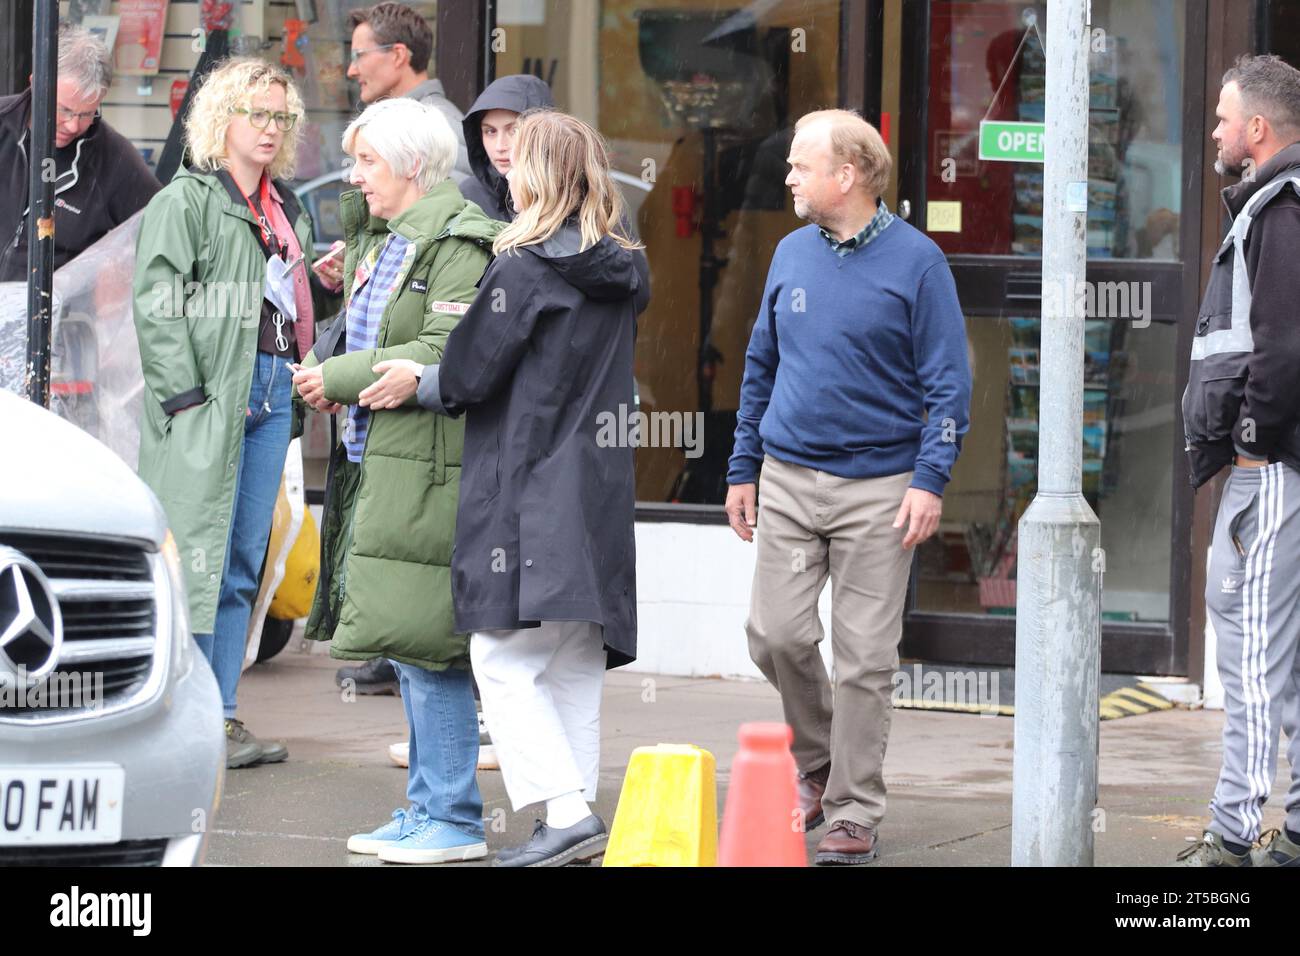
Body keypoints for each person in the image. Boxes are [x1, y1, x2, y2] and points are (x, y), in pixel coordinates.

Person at [365, 108, 647, 866]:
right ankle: (569, 818)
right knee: (573, 662)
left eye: (517, 161)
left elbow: (467, 373)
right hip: (596, 491)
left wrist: (419, 379)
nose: (504, 174)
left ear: (537, 174)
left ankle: (565, 814)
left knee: (501, 657)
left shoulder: (523, 268)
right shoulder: (622, 265)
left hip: (528, 484)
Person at [725, 109, 971, 865]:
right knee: (776, 634)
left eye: (802, 164)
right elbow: (760, 365)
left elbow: (950, 385)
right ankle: (822, 762)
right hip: (790, 478)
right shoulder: (790, 254)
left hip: (882, 489)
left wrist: (930, 479)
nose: (789, 175)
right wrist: (742, 466)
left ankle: (853, 812)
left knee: (865, 657)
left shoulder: (919, 263)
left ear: (849, 174)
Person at [293, 97, 499, 864]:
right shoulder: (390, 237)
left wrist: (331, 376)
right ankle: (426, 809)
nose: (356, 177)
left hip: (429, 466)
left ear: (413, 166)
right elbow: (389, 333)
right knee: (407, 642)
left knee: (426, 643)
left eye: (369, 162)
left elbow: (444, 345)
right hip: (388, 459)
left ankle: (452, 818)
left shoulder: (458, 241)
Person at [133, 57, 328, 769]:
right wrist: (186, 399)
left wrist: (319, 285)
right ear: (223, 119)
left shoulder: (287, 207)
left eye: (281, 116)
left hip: (275, 387)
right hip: (212, 397)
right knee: (197, 559)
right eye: (257, 113)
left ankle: (220, 717)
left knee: (245, 562)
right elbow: (157, 307)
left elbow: (283, 300)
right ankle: (173, 722)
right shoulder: (184, 201)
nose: (271, 128)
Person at [1176, 54, 1300, 868]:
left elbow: (1284, 349)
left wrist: (1252, 444)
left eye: (1224, 119)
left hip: (1272, 475)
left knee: (1250, 651)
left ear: (1257, 129)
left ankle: (1231, 839)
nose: (1216, 131)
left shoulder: (1278, 211)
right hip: (1284, 469)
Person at [0, 24, 159, 281]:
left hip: (61, 317)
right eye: (64, 110)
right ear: (35, 84)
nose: (74, 125)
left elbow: (163, 229)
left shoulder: (114, 158)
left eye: (86, 113)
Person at [344, 1, 470, 183]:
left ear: (398, 55)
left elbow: (461, 201)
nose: (351, 71)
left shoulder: (437, 124)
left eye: (359, 55)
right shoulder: (416, 121)